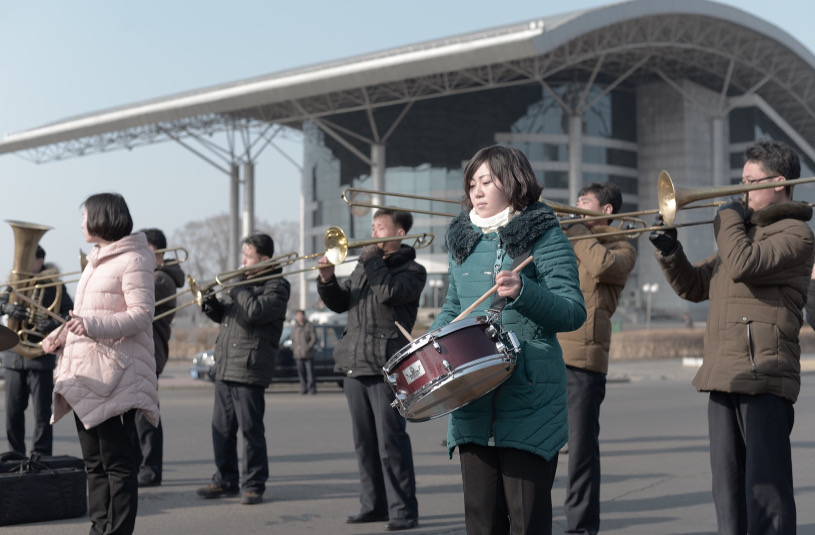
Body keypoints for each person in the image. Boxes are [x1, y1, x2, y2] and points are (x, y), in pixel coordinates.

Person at [649, 139, 811, 535]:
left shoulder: (796, 233)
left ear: (780, 182)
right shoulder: (742, 233)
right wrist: (670, 250)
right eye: (741, 180)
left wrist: (727, 219)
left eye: (751, 181)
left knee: (766, 494)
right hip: (724, 374)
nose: (740, 191)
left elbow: (742, 264)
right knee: (729, 491)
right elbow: (693, 286)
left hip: (765, 375)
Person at [428, 145, 586, 535]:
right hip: (472, 399)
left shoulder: (543, 234)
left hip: (529, 398)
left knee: (527, 522)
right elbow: (454, 306)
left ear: (513, 183)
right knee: (481, 523)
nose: (476, 191)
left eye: (486, 181)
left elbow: (572, 311)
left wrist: (524, 292)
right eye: (471, 183)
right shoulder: (461, 238)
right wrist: (434, 337)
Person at [42, 192, 159, 535]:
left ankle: (117, 531)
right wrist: (61, 335)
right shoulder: (96, 260)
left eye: (85, 216)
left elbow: (141, 315)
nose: (81, 223)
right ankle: (99, 528)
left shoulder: (135, 258)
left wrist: (90, 326)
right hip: (87, 375)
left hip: (116, 376)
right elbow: (88, 315)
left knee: (118, 464)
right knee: (94, 464)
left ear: (103, 218)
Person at [317, 208, 426, 532]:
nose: (374, 233)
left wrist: (371, 261)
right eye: (374, 227)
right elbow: (341, 303)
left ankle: (403, 510)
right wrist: (326, 279)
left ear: (400, 232)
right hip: (355, 362)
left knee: (391, 442)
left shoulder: (413, 270)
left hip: (387, 366)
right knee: (364, 443)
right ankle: (373, 505)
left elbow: (389, 293)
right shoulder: (364, 268)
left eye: (381, 228)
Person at [558, 182, 637, 535]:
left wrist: (574, 228)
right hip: (550, 352)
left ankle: (581, 527)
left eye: (584, 204)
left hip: (584, 358)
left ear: (605, 211)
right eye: (575, 204)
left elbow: (602, 266)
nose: (575, 209)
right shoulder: (570, 238)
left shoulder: (622, 246)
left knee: (581, 451)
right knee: (538, 446)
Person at [196, 233, 290, 506]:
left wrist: (237, 287)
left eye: (247, 257)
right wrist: (209, 302)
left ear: (264, 259)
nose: (242, 262)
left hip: (249, 367)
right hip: (226, 365)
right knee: (221, 429)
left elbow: (255, 312)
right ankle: (226, 479)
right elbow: (228, 316)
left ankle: (254, 484)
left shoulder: (277, 286)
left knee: (250, 430)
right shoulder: (244, 286)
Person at [1, 245, 74, 456]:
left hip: (41, 358)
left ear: (40, 261)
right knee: (13, 413)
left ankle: (41, 457)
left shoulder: (54, 285)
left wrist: (49, 324)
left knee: (43, 414)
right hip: (14, 357)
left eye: (28, 259)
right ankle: (15, 455)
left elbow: (68, 317)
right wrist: (6, 308)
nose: (21, 264)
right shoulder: (14, 284)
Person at [134, 228, 185, 487]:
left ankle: (151, 469)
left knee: (146, 415)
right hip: (141, 352)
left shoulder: (161, 279)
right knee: (136, 414)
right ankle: (139, 465)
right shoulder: (151, 275)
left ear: (154, 252)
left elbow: (135, 300)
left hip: (150, 352)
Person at [291, 309, 318, 395]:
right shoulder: (295, 326)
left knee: (310, 373)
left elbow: (314, 339)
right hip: (298, 354)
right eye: (297, 315)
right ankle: (303, 388)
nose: (299, 317)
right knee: (301, 373)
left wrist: (307, 347)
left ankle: (312, 388)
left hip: (308, 354)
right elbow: (292, 339)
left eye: (300, 315)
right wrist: (294, 347)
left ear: (304, 316)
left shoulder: (309, 326)